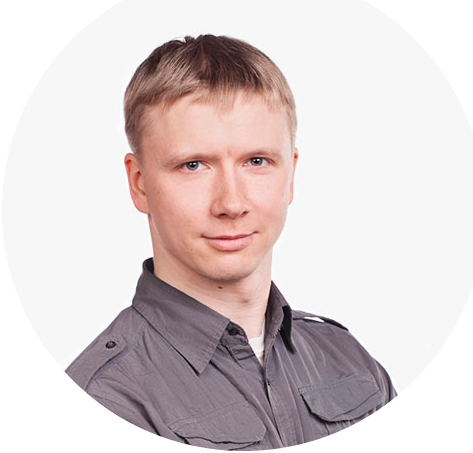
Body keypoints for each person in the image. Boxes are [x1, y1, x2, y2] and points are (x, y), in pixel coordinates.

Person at [66, 34, 396, 447]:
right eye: (193, 165)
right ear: (139, 183)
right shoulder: (108, 395)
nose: (232, 203)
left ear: (291, 174)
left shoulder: (350, 360)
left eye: (257, 161)